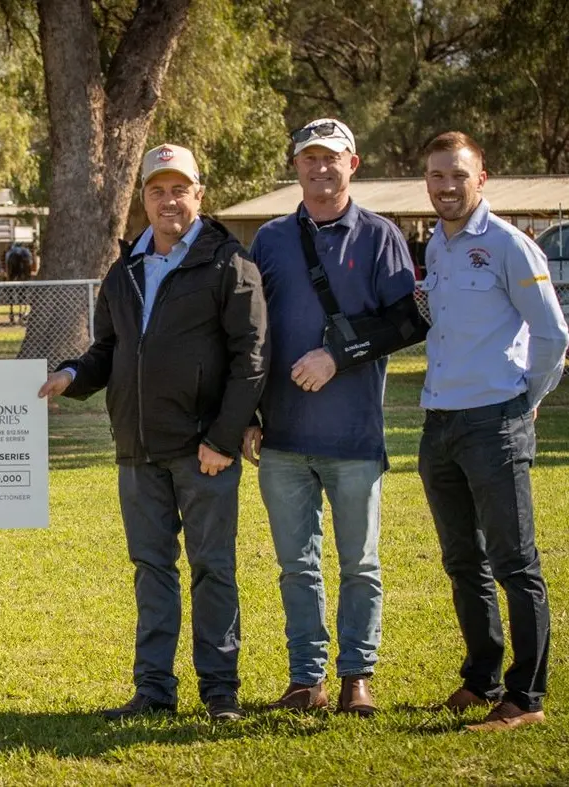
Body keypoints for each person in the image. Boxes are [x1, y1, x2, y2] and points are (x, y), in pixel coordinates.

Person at [39, 144, 268, 721]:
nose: (169, 200)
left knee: (213, 569)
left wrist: (221, 439)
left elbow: (252, 358)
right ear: (143, 198)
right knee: (151, 571)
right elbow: (109, 350)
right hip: (137, 450)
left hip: (202, 453)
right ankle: (154, 693)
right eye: (156, 190)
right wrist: (72, 374)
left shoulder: (228, 263)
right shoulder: (126, 269)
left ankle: (220, 692)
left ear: (199, 194)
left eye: (179, 189)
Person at [243, 119, 421, 717]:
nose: (320, 168)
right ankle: (305, 681)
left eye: (332, 158)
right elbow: (249, 337)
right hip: (283, 438)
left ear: (354, 163)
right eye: (309, 158)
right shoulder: (268, 240)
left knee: (360, 564)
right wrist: (246, 417)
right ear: (296, 166)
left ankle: (356, 679)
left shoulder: (381, 236)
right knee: (297, 566)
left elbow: (407, 322)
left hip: (353, 438)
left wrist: (336, 356)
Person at [418, 131, 567, 731]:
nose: (447, 187)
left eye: (457, 175)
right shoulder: (436, 246)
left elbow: (553, 337)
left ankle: (525, 699)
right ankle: (480, 680)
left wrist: (521, 403)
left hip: (494, 422)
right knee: (463, 560)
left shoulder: (510, 246)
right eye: (436, 176)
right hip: (440, 423)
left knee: (514, 561)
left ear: (481, 179)